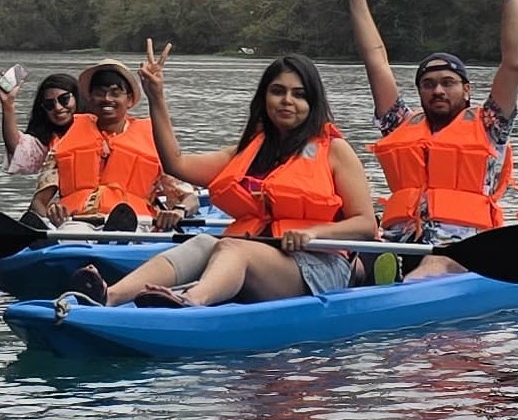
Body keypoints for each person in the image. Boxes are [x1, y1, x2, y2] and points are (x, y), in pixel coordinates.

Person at [101, 49, 379, 307]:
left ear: (312, 102)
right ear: (264, 98)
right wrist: (156, 96)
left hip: (319, 263)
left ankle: (190, 302)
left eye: (299, 94)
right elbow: (177, 164)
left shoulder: (335, 150)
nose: (287, 101)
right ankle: (109, 295)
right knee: (203, 243)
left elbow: (365, 224)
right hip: (263, 252)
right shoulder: (250, 150)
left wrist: (313, 232)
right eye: (278, 91)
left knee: (233, 246)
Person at [344, 0, 518, 272]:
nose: (438, 90)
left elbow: (512, 63)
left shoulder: (490, 124)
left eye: (448, 83)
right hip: (399, 240)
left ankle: (405, 291)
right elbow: (375, 60)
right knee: (353, 264)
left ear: (467, 90)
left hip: (463, 246)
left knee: (434, 264)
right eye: (428, 84)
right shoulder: (398, 122)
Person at [39, 58, 187, 229]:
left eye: (115, 93)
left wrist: (179, 210)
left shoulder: (155, 140)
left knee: (126, 228)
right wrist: (52, 217)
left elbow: (187, 196)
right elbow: (39, 203)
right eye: (99, 93)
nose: (107, 99)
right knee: (74, 230)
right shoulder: (65, 141)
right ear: (90, 98)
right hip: (76, 222)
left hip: (136, 223)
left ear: (129, 100)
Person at [0, 69, 82, 191]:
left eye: (64, 99)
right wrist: (7, 105)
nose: (58, 108)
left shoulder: (98, 127)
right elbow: (17, 148)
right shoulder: (45, 144)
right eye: (49, 104)